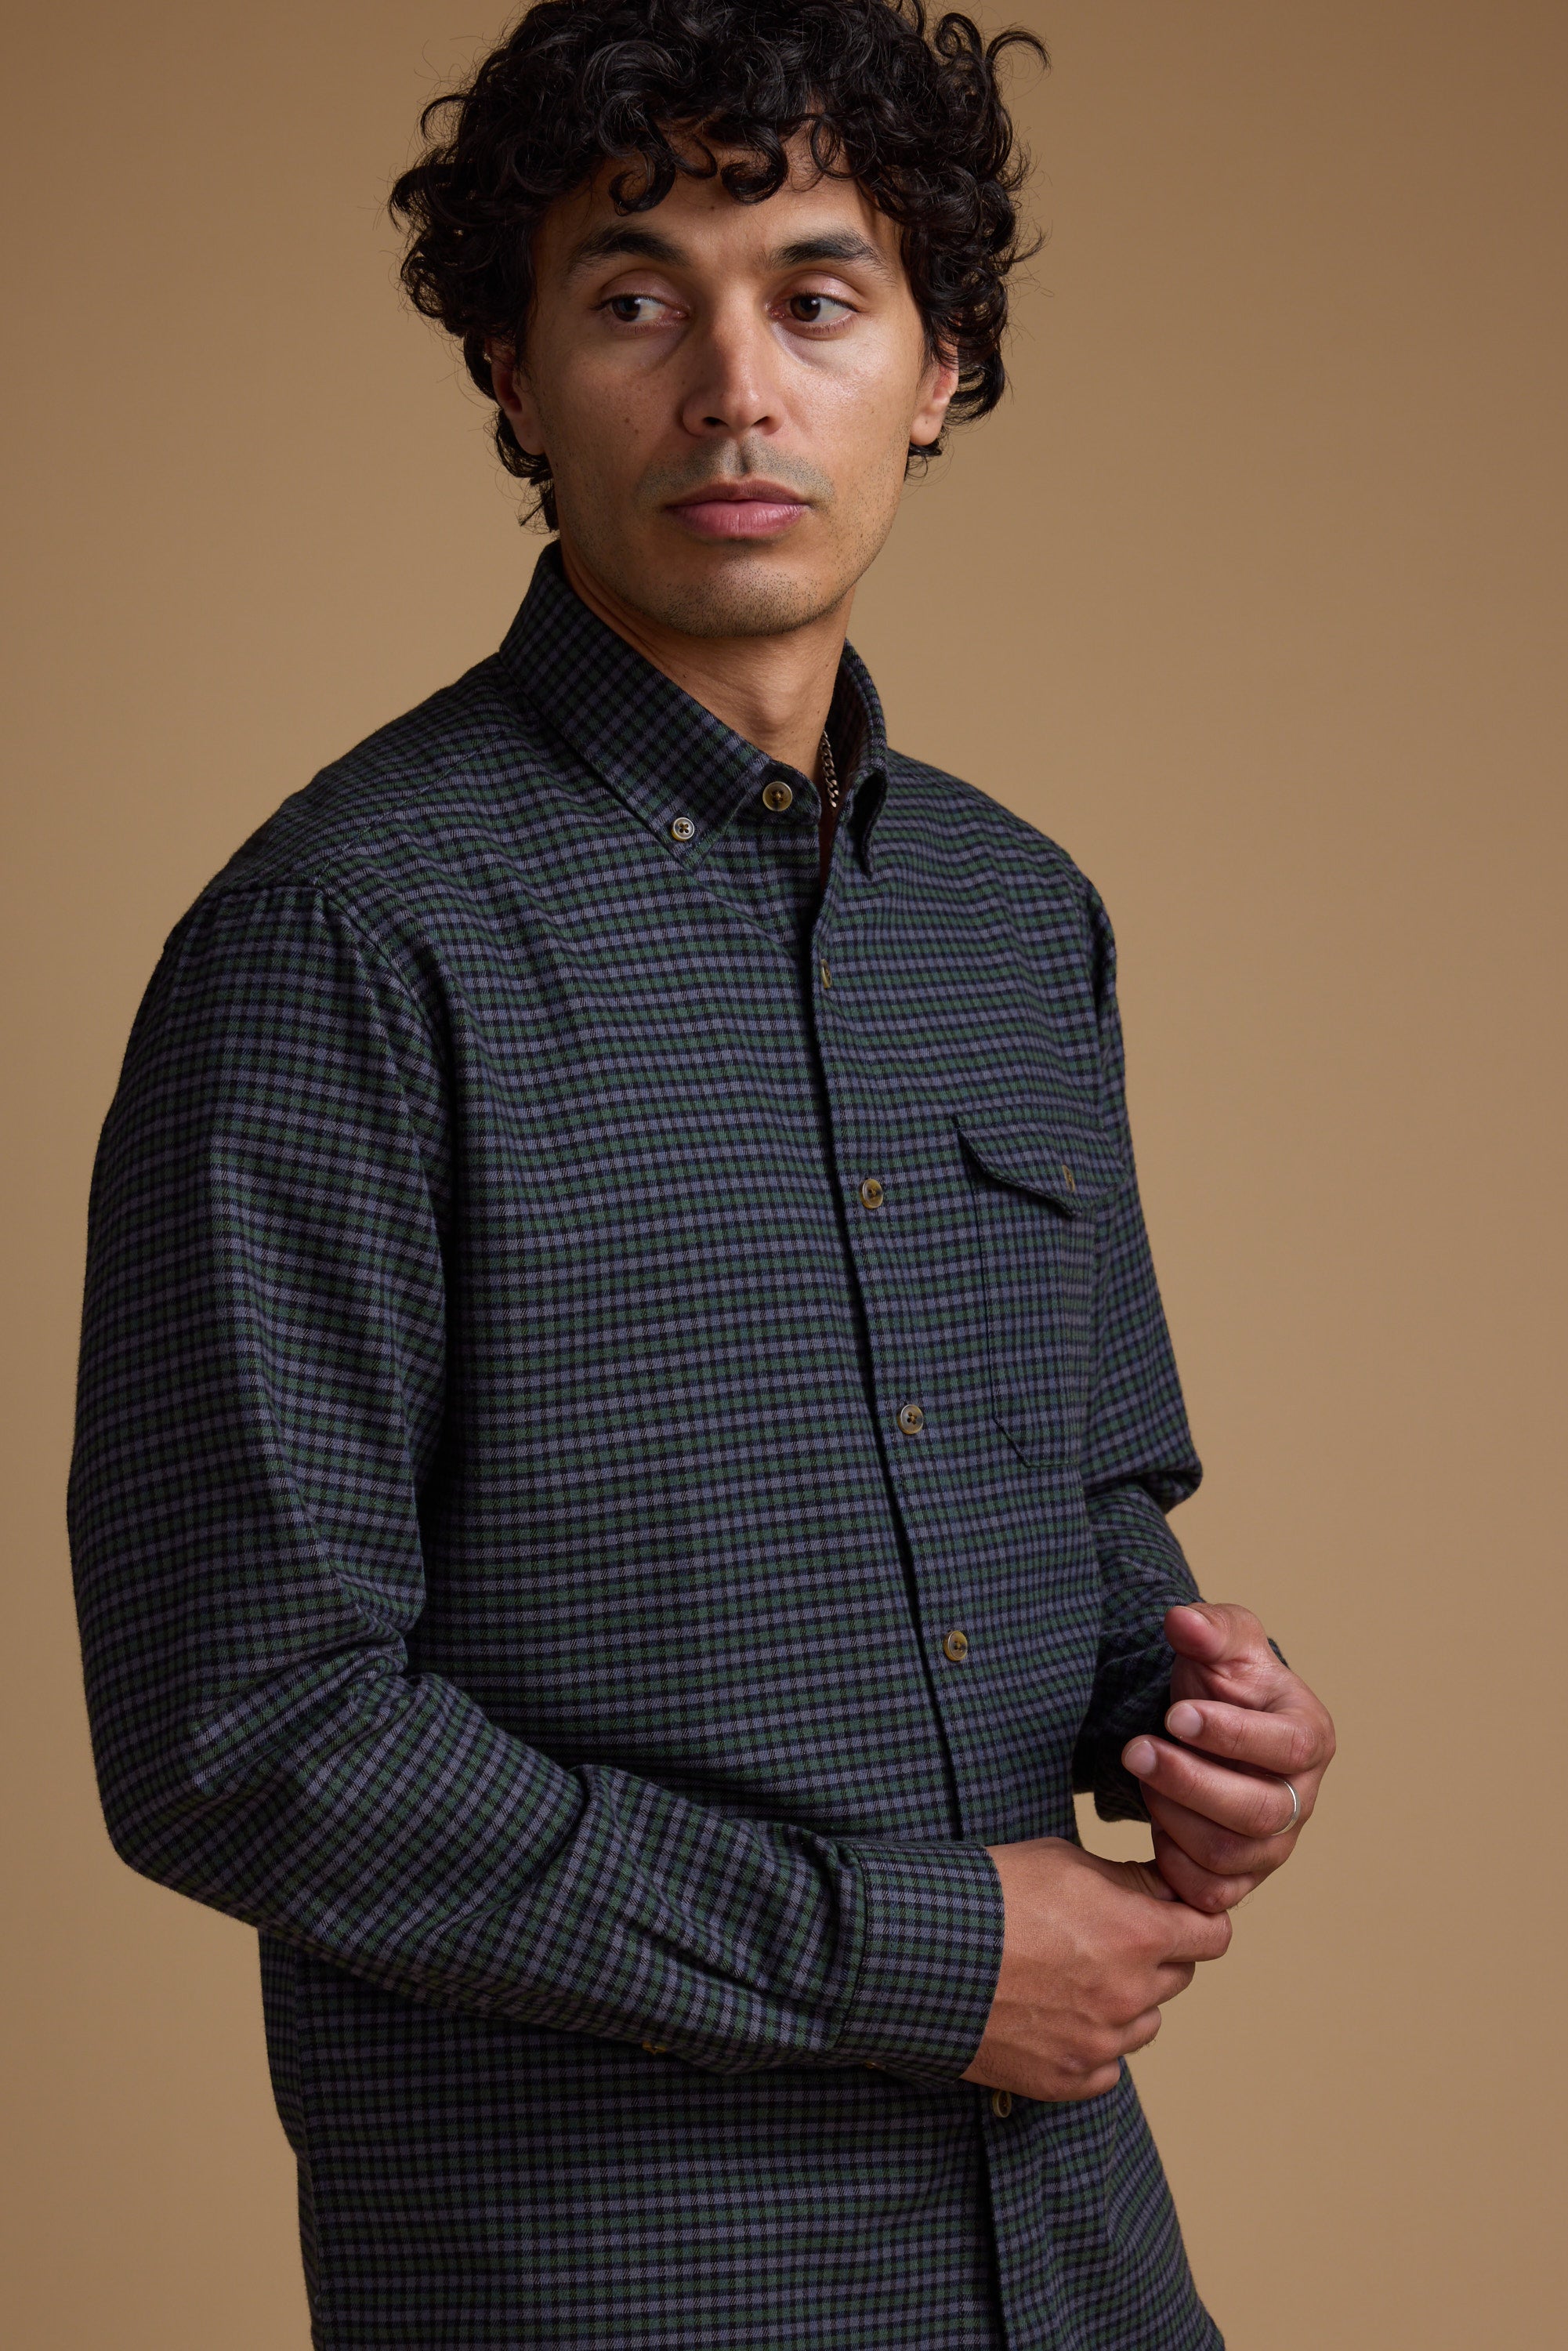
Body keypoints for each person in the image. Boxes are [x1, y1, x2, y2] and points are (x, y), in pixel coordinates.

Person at [68, 3, 1336, 2344]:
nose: (733, 387)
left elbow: (1078, 1505)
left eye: (816, 299)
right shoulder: (339, 943)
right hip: (611, 2283)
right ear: (513, 378)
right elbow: (242, 1735)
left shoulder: (1011, 914)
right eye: (635, 296)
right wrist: (921, 1956)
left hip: (1064, 2260)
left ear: (936, 366)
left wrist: (1182, 1723)